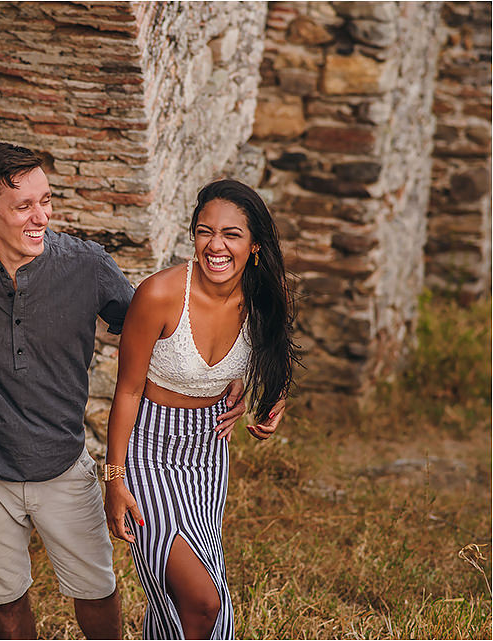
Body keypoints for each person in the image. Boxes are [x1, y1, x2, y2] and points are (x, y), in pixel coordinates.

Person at [0, 143, 246, 639]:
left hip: (64, 465)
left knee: (97, 591)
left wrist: (227, 373)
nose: (41, 216)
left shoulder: (87, 265)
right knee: (5, 600)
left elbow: (157, 333)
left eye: (46, 201)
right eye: (24, 206)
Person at [103, 179, 299, 640]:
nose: (216, 245)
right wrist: (113, 479)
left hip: (208, 453)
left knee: (183, 602)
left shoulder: (265, 297)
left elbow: (274, 357)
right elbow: (127, 392)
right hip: (148, 450)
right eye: (205, 231)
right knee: (204, 600)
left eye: (231, 234)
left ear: (254, 245)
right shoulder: (159, 295)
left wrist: (268, 402)